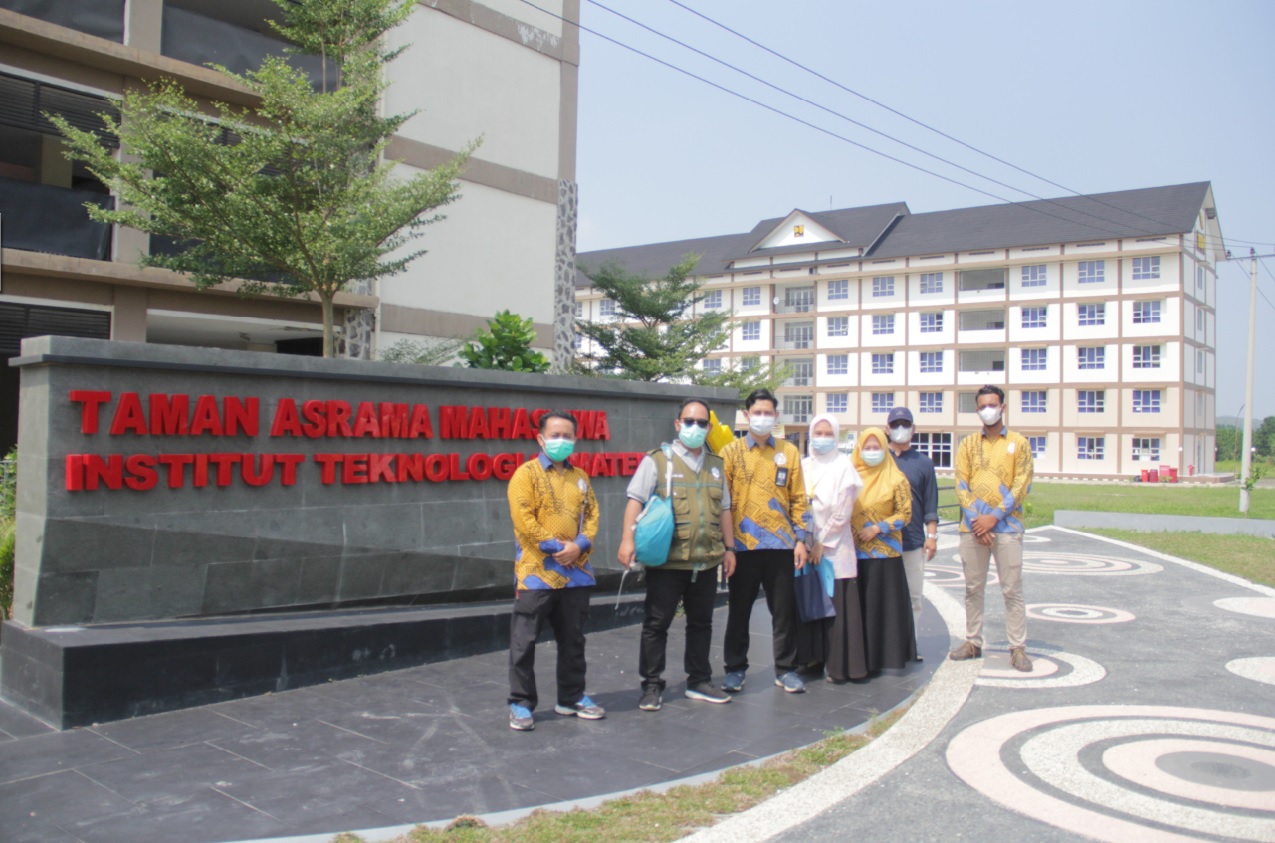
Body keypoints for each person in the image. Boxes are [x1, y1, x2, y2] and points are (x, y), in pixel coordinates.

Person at [618, 398, 736, 712]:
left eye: (701, 423)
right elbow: (635, 500)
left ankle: (699, 681)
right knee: (656, 624)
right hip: (668, 562)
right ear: (677, 424)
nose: (694, 427)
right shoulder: (658, 460)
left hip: (706, 560)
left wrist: (730, 548)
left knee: (702, 623)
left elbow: (725, 509)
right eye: (689, 421)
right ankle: (652, 685)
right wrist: (626, 540)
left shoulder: (716, 465)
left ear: (709, 427)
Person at [505, 410, 603, 731]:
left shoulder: (581, 478)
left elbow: (592, 516)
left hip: (575, 573)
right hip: (536, 571)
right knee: (524, 641)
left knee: (573, 640)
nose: (562, 441)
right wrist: (555, 548)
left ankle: (571, 697)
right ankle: (521, 703)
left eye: (568, 436)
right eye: (556, 435)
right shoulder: (526, 475)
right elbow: (524, 520)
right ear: (541, 438)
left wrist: (579, 545)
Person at [720, 388, 813, 694]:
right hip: (743, 547)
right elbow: (724, 503)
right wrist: (728, 547)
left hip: (782, 546)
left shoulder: (789, 452)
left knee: (784, 612)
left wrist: (801, 539)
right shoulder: (731, 453)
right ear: (746, 416)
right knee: (739, 611)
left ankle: (785, 669)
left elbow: (799, 499)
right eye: (756, 412)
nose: (762, 418)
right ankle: (735, 669)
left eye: (768, 413)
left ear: (776, 416)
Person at [950, 385, 1035, 672]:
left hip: (1007, 527)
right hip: (973, 528)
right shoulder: (968, 445)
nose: (988, 409)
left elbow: (1021, 485)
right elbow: (961, 485)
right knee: (973, 588)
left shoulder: (1019, 444)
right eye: (983, 405)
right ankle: (973, 642)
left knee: (1012, 589)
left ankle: (1018, 647)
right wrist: (978, 522)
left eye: (993, 404)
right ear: (977, 409)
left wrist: (994, 517)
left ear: (1003, 407)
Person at [800, 413, 867, 683]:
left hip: (835, 548)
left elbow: (842, 513)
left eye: (829, 433)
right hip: (805, 545)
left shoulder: (844, 467)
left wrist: (821, 544)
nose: (823, 438)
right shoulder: (803, 465)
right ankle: (811, 659)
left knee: (837, 606)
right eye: (819, 432)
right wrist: (805, 541)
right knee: (810, 601)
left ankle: (840, 665)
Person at [851, 427, 916, 672]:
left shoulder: (896, 478)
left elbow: (905, 514)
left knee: (883, 606)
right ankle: (862, 658)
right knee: (861, 606)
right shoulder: (851, 476)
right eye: (867, 448)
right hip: (855, 554)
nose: (871, 452)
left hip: (885, 554)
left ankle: (886, 657)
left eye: (876, 447)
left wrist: (878, 528)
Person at [885, 406, 939, 657]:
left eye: (905, 424)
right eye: (895, 424)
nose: (900, 429)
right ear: (887, 429)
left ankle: (911, 644)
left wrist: (932, 536)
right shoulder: (878, 459)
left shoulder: (924, 463)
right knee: (884, 596)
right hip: (881, 541)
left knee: (914, 597)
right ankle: (884, 643)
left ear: (913, 429)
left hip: (913, 540)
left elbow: (930, 503)